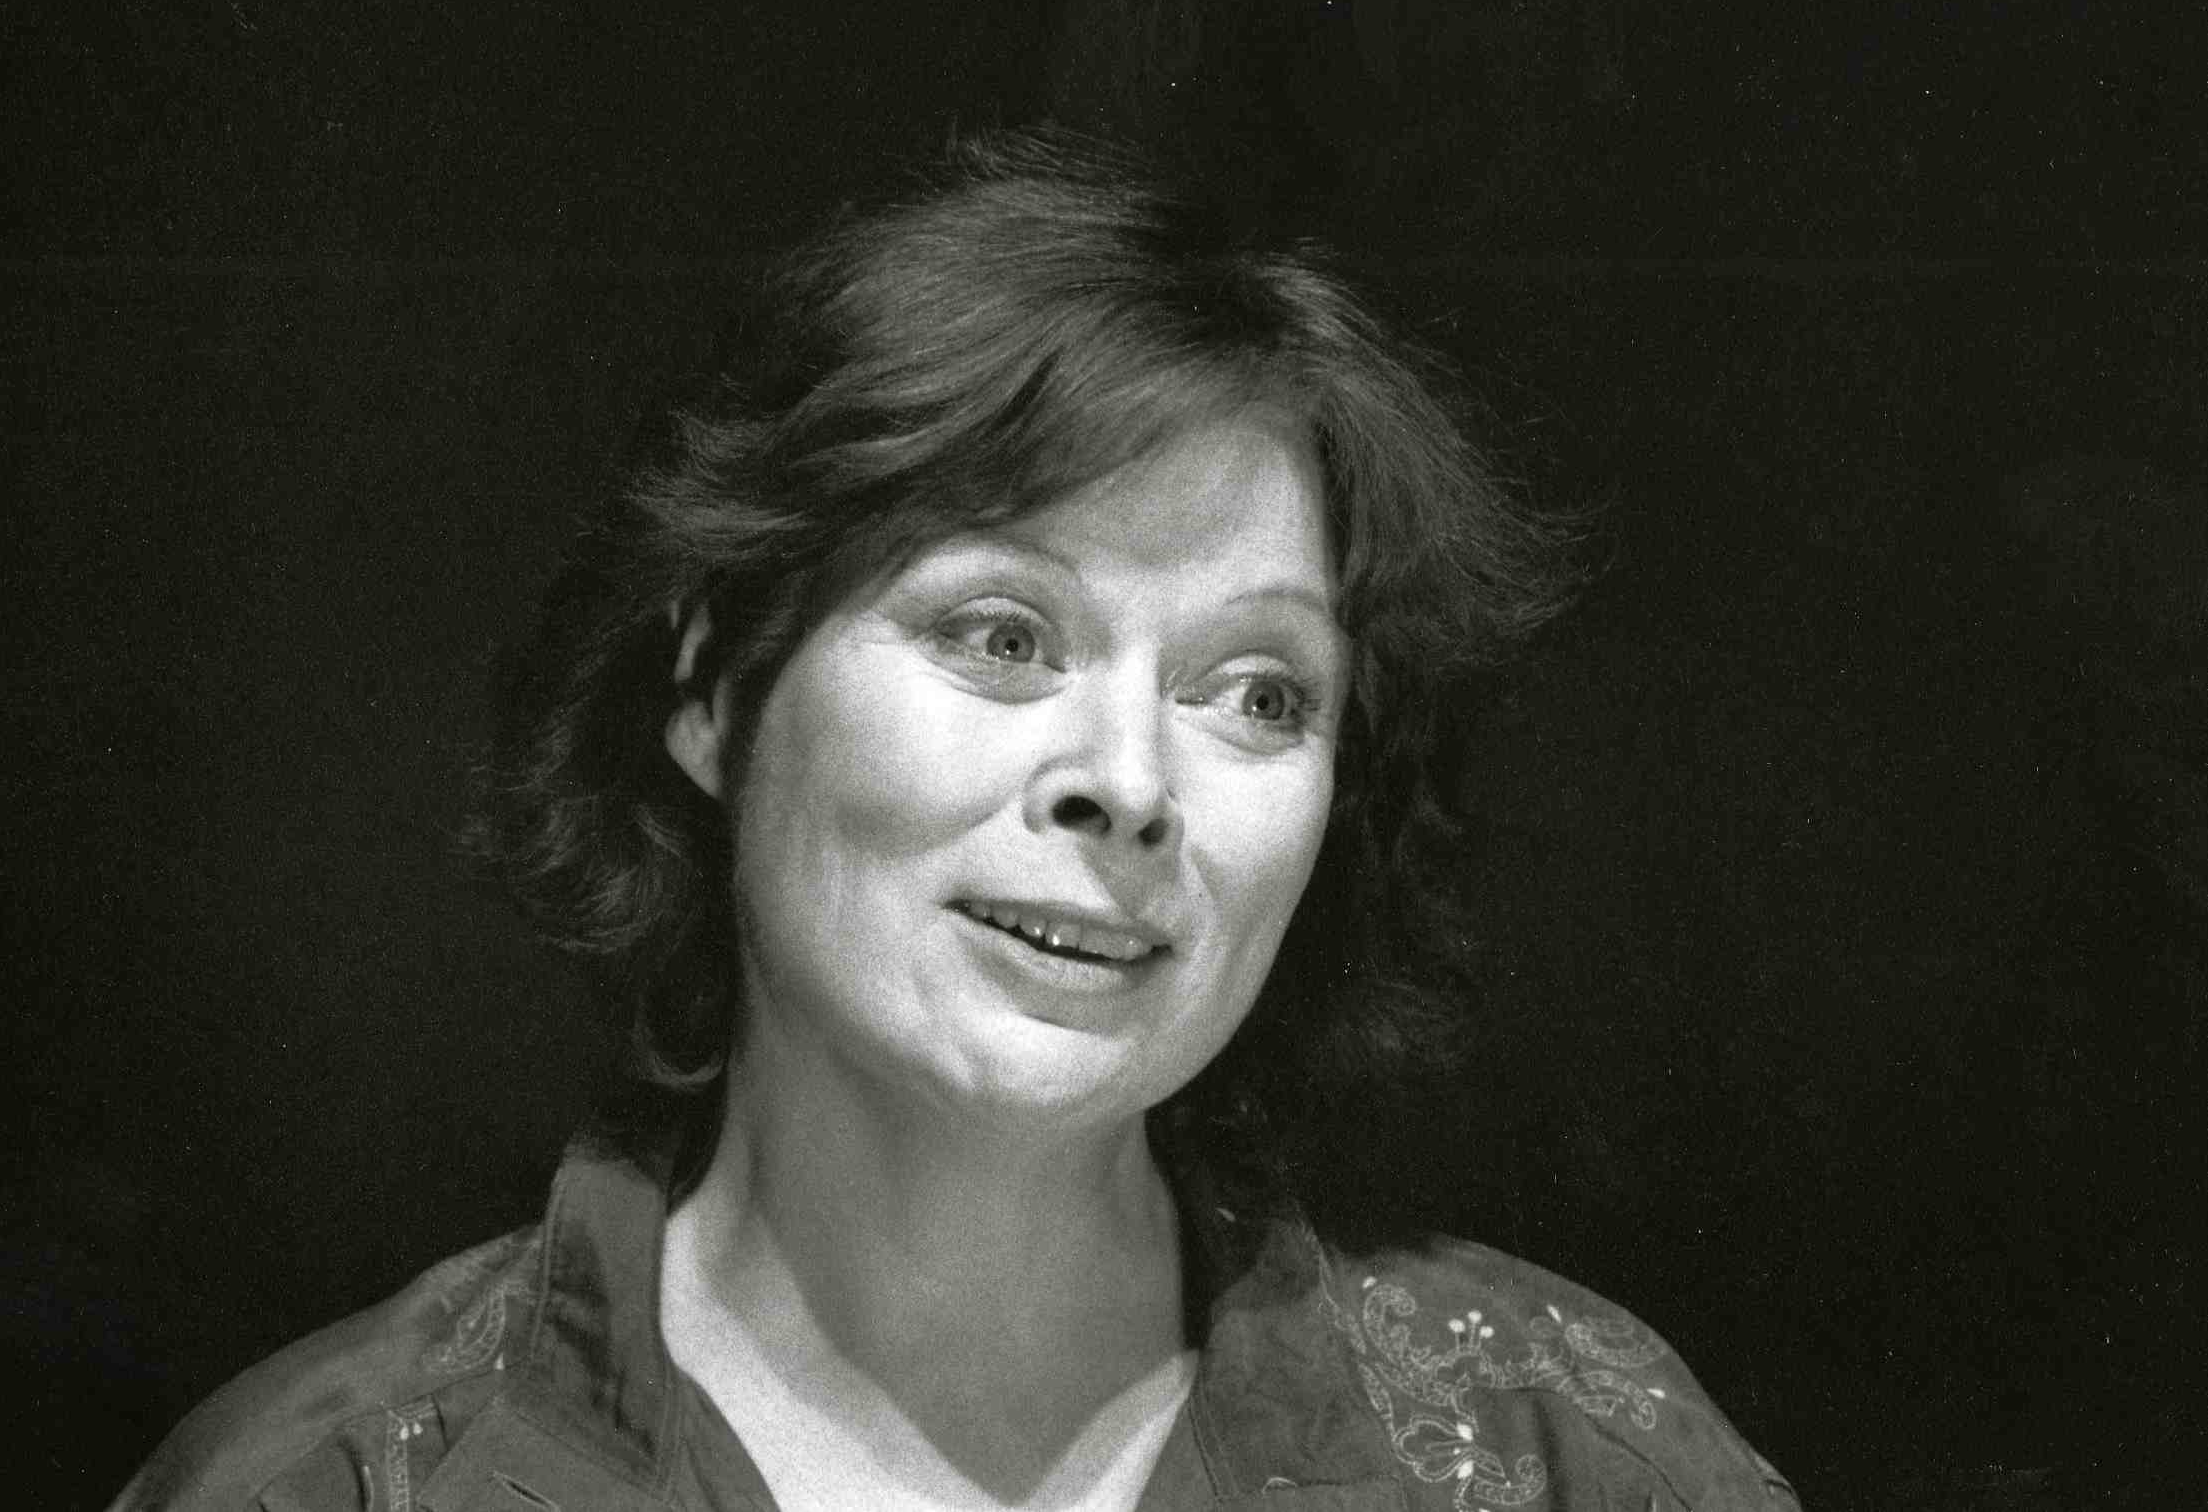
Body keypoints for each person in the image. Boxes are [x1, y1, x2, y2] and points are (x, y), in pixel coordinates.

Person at [111, 130, 1799, 1511]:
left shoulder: (1577, 1468)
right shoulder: (331, 1486)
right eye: (1002, 636)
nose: (1129, 780)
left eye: (1257, 692)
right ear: (710, 688)